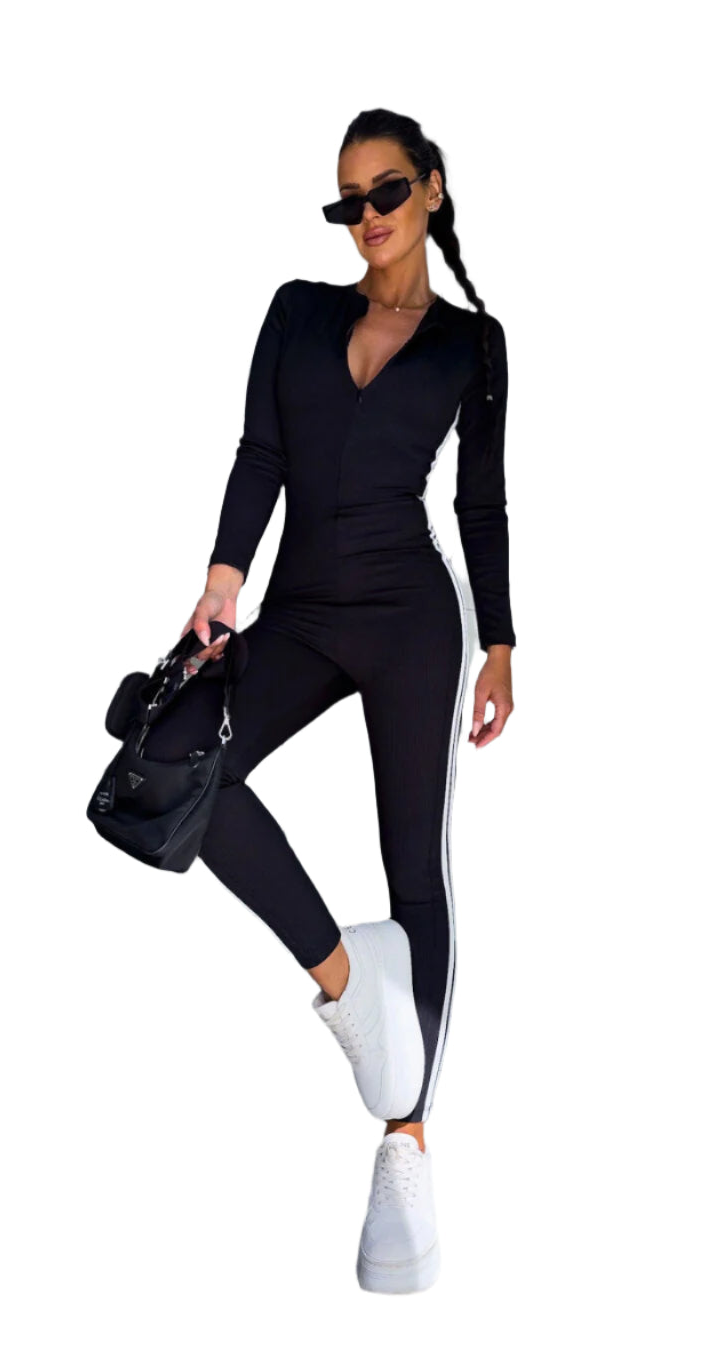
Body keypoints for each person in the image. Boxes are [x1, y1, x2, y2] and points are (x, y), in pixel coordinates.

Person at [178, 109, 515, 1293]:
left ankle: (405, 1146)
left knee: (414, 866)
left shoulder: (472, 344)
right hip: (302, 614)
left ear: (431, 188)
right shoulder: (298, 311)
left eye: (386, 191)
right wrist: (222, 580)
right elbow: (260, 454)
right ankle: (345, 981)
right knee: (180, 767)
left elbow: (479, 503)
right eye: (348, 201)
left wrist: (501, 641)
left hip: (413, 617)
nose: (366, 216)